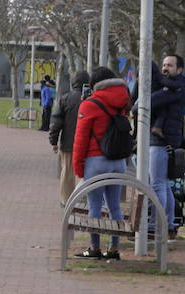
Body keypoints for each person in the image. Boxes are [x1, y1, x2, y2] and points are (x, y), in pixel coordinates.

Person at [72, 66, 131, 260]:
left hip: (96, 162)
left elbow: (80, 139)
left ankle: (94, 247)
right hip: (118, 162)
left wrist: (78, 167)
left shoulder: (90, 104)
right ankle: (114, 249)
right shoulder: (123, 100)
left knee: (94, 206)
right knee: (114, 206)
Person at [146, 54, 185, 238]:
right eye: (164, 64)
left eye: (170, 66)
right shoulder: (175, 86)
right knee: (164, 184)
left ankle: (157, 224)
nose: (165, 68)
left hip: (161, 141)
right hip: (167, 139)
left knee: (158, 184)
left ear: (180, 70)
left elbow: (148, 102)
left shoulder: (175, 88)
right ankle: (168, 223)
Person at [49, 69, 90, 205]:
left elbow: (56, 122)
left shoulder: (65, 99)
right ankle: (82, 199)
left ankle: (66, 200)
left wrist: (53, 140)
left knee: (67, 171)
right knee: (84, 172)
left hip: (68, 142)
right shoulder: (91, 99)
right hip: (87, 144)